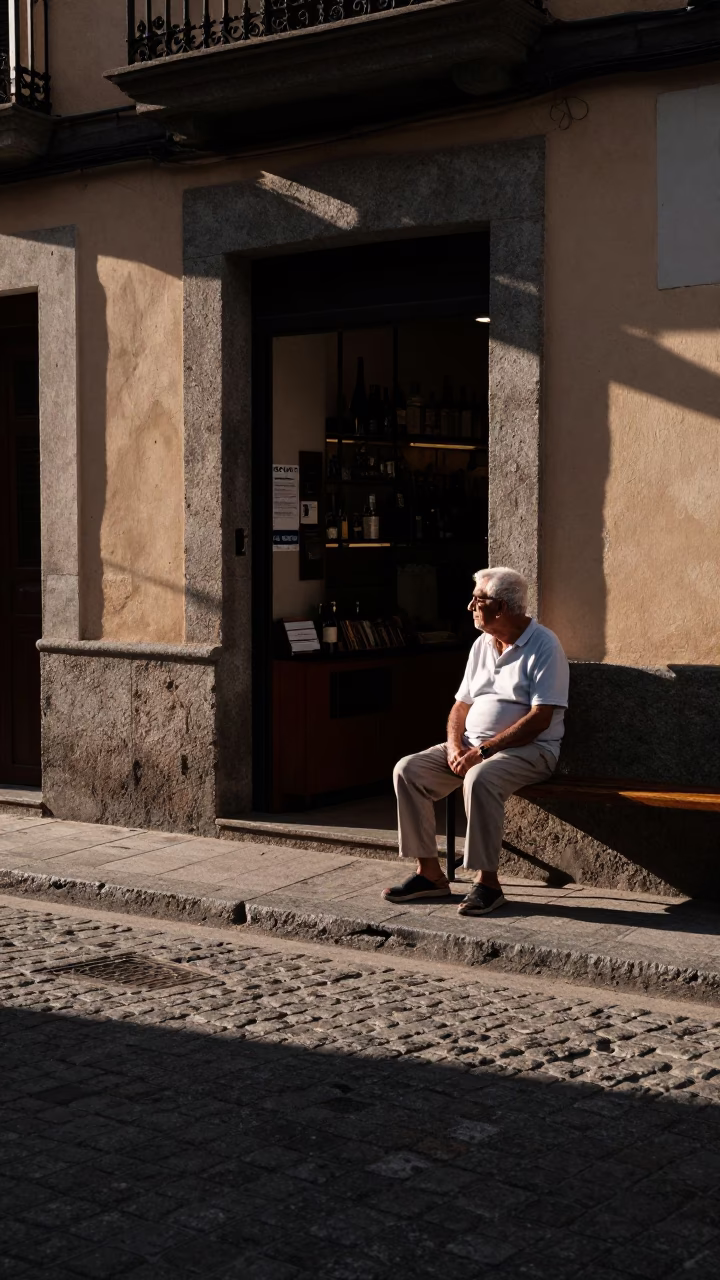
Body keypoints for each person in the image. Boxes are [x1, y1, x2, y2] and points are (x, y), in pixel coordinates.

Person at [383, 567, 569, 916]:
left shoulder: (544, 645)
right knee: (408, 770)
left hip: (530, 751)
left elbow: (541, 718)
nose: (470, 606)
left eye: (478, 600)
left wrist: (483, 751)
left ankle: (487, 883)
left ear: (500, 606)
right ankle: (430, 875)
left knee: (480, 777)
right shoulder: (481, 645)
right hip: (472, 747)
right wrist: (455, 746)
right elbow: (460, 706)